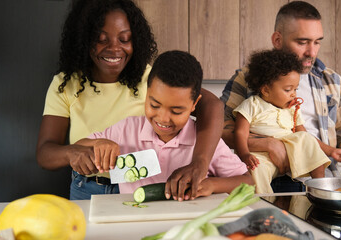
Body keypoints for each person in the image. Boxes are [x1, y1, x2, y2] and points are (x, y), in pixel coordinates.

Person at [36, 0, 224, 200]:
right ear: (84, 40)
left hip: (140, 187)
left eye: (124, 39)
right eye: (101, 39)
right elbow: (45, 153)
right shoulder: (66, 84)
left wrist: (200, 163)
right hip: (87, 187)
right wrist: (71, 153)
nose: (115, 49)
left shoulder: (149, 78)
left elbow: (211, 104)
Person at [75, 50, 253, 198]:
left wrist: (212, 184)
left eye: (176, 111)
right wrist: (97, 144)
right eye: (154, 105)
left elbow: (248, 181)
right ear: (147, 93)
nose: (163, 118)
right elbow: (79, 147)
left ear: (194, 105)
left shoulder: (204, 141)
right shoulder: (126, 129)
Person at [220, 1, 341, 192]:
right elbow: (220, 129)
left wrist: (333, 151)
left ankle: (320, 187)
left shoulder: (333, 82)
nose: (312, 52)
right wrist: (266, 144)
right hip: (269, 176)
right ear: (277, 40)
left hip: (318, 180)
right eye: (302, 42)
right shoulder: (248, 78)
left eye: (317, 42)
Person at [233, 49, 341, 193]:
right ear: (265, 90)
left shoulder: (292, 110)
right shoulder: (252, 105)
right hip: (263, 156)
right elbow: (240, 133)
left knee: (305, 138)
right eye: (288, 90)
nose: (294, 94)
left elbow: (307, 138)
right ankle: (264, 199)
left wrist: (331, 151)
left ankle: (318, 187)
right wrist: (245, 154)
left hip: (292, 158)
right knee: (256, 169)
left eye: (296, 89)